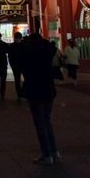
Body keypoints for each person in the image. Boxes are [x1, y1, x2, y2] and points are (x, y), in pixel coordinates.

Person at [23, 32, 60, 166]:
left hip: (35, 91)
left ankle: (46, 154)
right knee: (47, 121)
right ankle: (54, 152)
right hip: (49, 90)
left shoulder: (30, 54)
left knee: (40, 124)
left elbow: (24, 68)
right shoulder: (48, 53)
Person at [7, 31, 26, 100]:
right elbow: (10, 57)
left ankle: (21, 93)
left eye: (18, 38)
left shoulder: (13, 46)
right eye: (17, 38)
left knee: (19, 80)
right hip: (18, 66)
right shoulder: (24, 45)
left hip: (22, 65)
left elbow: (10, 57)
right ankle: (20, 94)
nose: (18, 39)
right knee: (18, 80)